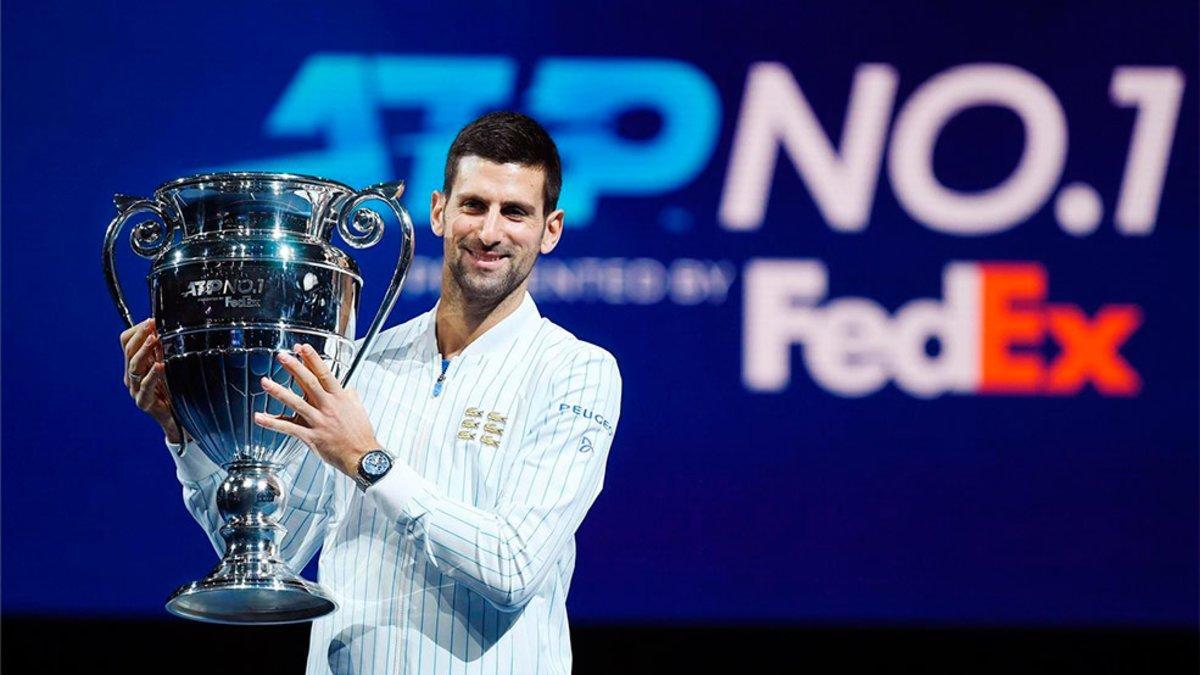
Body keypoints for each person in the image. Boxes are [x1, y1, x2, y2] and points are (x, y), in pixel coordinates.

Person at [118, 111, 622, 675]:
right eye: (474, 205)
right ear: (438, 211)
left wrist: (369, 462)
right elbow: (278, 555)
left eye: (516, 213)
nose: (489, 231)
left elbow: (512, 567)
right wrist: (185, 435)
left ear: (550, 229)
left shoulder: (575, 370)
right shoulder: (361, 361)